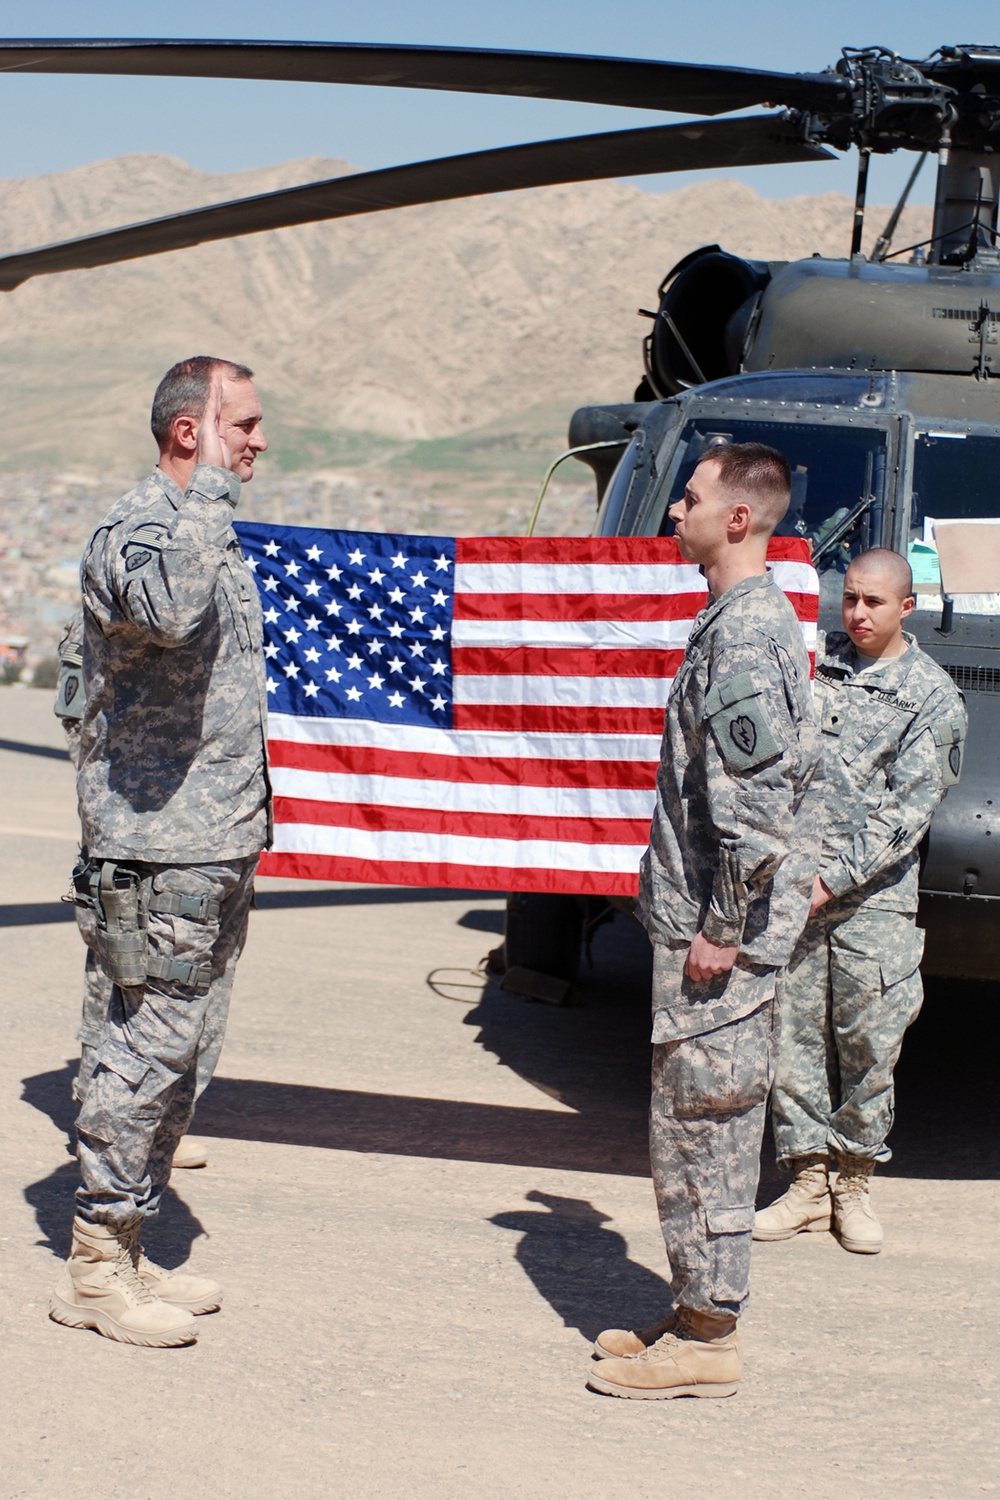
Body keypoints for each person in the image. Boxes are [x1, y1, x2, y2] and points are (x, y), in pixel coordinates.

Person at [587, 443, 823, 1401]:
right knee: (692, 1124)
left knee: (708, 1130)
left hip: (718, 946)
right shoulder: (735, 622)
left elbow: (758, 811)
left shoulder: (745, 636)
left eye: (690, 497)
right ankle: (693, 1310)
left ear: (737, 518)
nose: (674, 509)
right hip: (706, 928)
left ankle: (712, 1334)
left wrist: (721, 926)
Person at [50, 356, 270, 1347]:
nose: (258, 443)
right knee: (144, 1049)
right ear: (190, 430)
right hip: (156, 844)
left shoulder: (205, 529)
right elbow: (173, 614)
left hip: (212, 839)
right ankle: (94, 1268)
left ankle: (130, 1245)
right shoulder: (146, 526)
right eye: (243, 424)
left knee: (182, 1055)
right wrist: (211, 489)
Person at [753, 548, 966, 1253]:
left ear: (907, 607)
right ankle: (808, 1182)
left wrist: (829, 880)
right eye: (850, 600)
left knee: (870, 1046)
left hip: (871, 906)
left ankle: (854, 1183)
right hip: (799, 894)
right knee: (794, 1041)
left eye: (874, 603)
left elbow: (906, 814)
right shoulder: (819, 664)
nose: (858, 614)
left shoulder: (932, 697)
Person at [54, 613, 210, 1169]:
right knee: (119, 965)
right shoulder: (105, 612)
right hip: (126, 824)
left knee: (176, 977)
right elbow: (78, 726)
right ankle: (100, 1111)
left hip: (187, 825)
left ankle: (156, 1117)